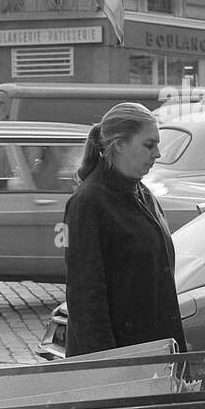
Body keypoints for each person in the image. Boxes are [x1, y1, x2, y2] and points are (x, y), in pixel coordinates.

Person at [63, 103, 187, 357]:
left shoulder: (142, 194)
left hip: (153, 353)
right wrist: (107, 366)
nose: (158, 153)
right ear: (119, 144)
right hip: (120, 361)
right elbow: (86, 296)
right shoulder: (89, 202)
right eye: (149, 145)